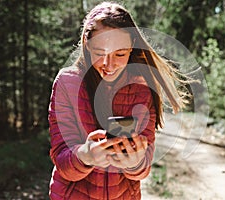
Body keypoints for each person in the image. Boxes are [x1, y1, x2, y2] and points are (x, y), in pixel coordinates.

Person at [48, 2, 185, 199]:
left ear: (131, 48)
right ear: (87, 44)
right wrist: (85, 155)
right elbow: (62, 163)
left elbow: (143, 168)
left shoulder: (142, 88)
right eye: (99, 53)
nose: (108, 64)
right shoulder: (67, 83)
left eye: (120, 54)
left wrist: (134, 163)